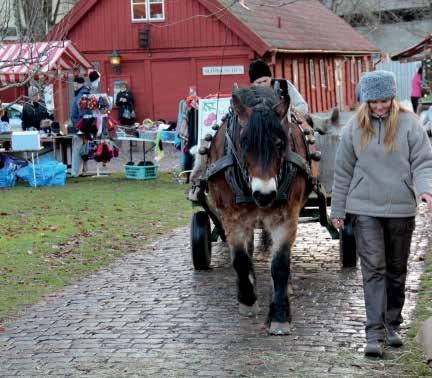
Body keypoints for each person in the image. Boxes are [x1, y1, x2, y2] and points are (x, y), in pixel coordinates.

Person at [330, 70, 432, 358]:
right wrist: (338, 209)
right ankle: (373, 332)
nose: (379, 107)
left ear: (392, 98)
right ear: (365, 100)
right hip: (365, 209)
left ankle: (392, 325)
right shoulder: (354, 129)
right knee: (374, 268)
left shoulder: (410, 125)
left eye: (384, 100)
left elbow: (424, 162)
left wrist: (426, 190)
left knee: (397, 270)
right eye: (373, 102)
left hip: (400, 207)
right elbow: (343, 171)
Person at [70, 77, 91, 177]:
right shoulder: (82, 93)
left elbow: (82, 111)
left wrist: (80, 126)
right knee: (82, 149)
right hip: (80, 124)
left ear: (80, 84)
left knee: (78, 149)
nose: (74, 86)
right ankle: (82, 170)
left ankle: (75, 172)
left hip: (80, 126)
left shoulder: (82, 94)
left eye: (75, 85)